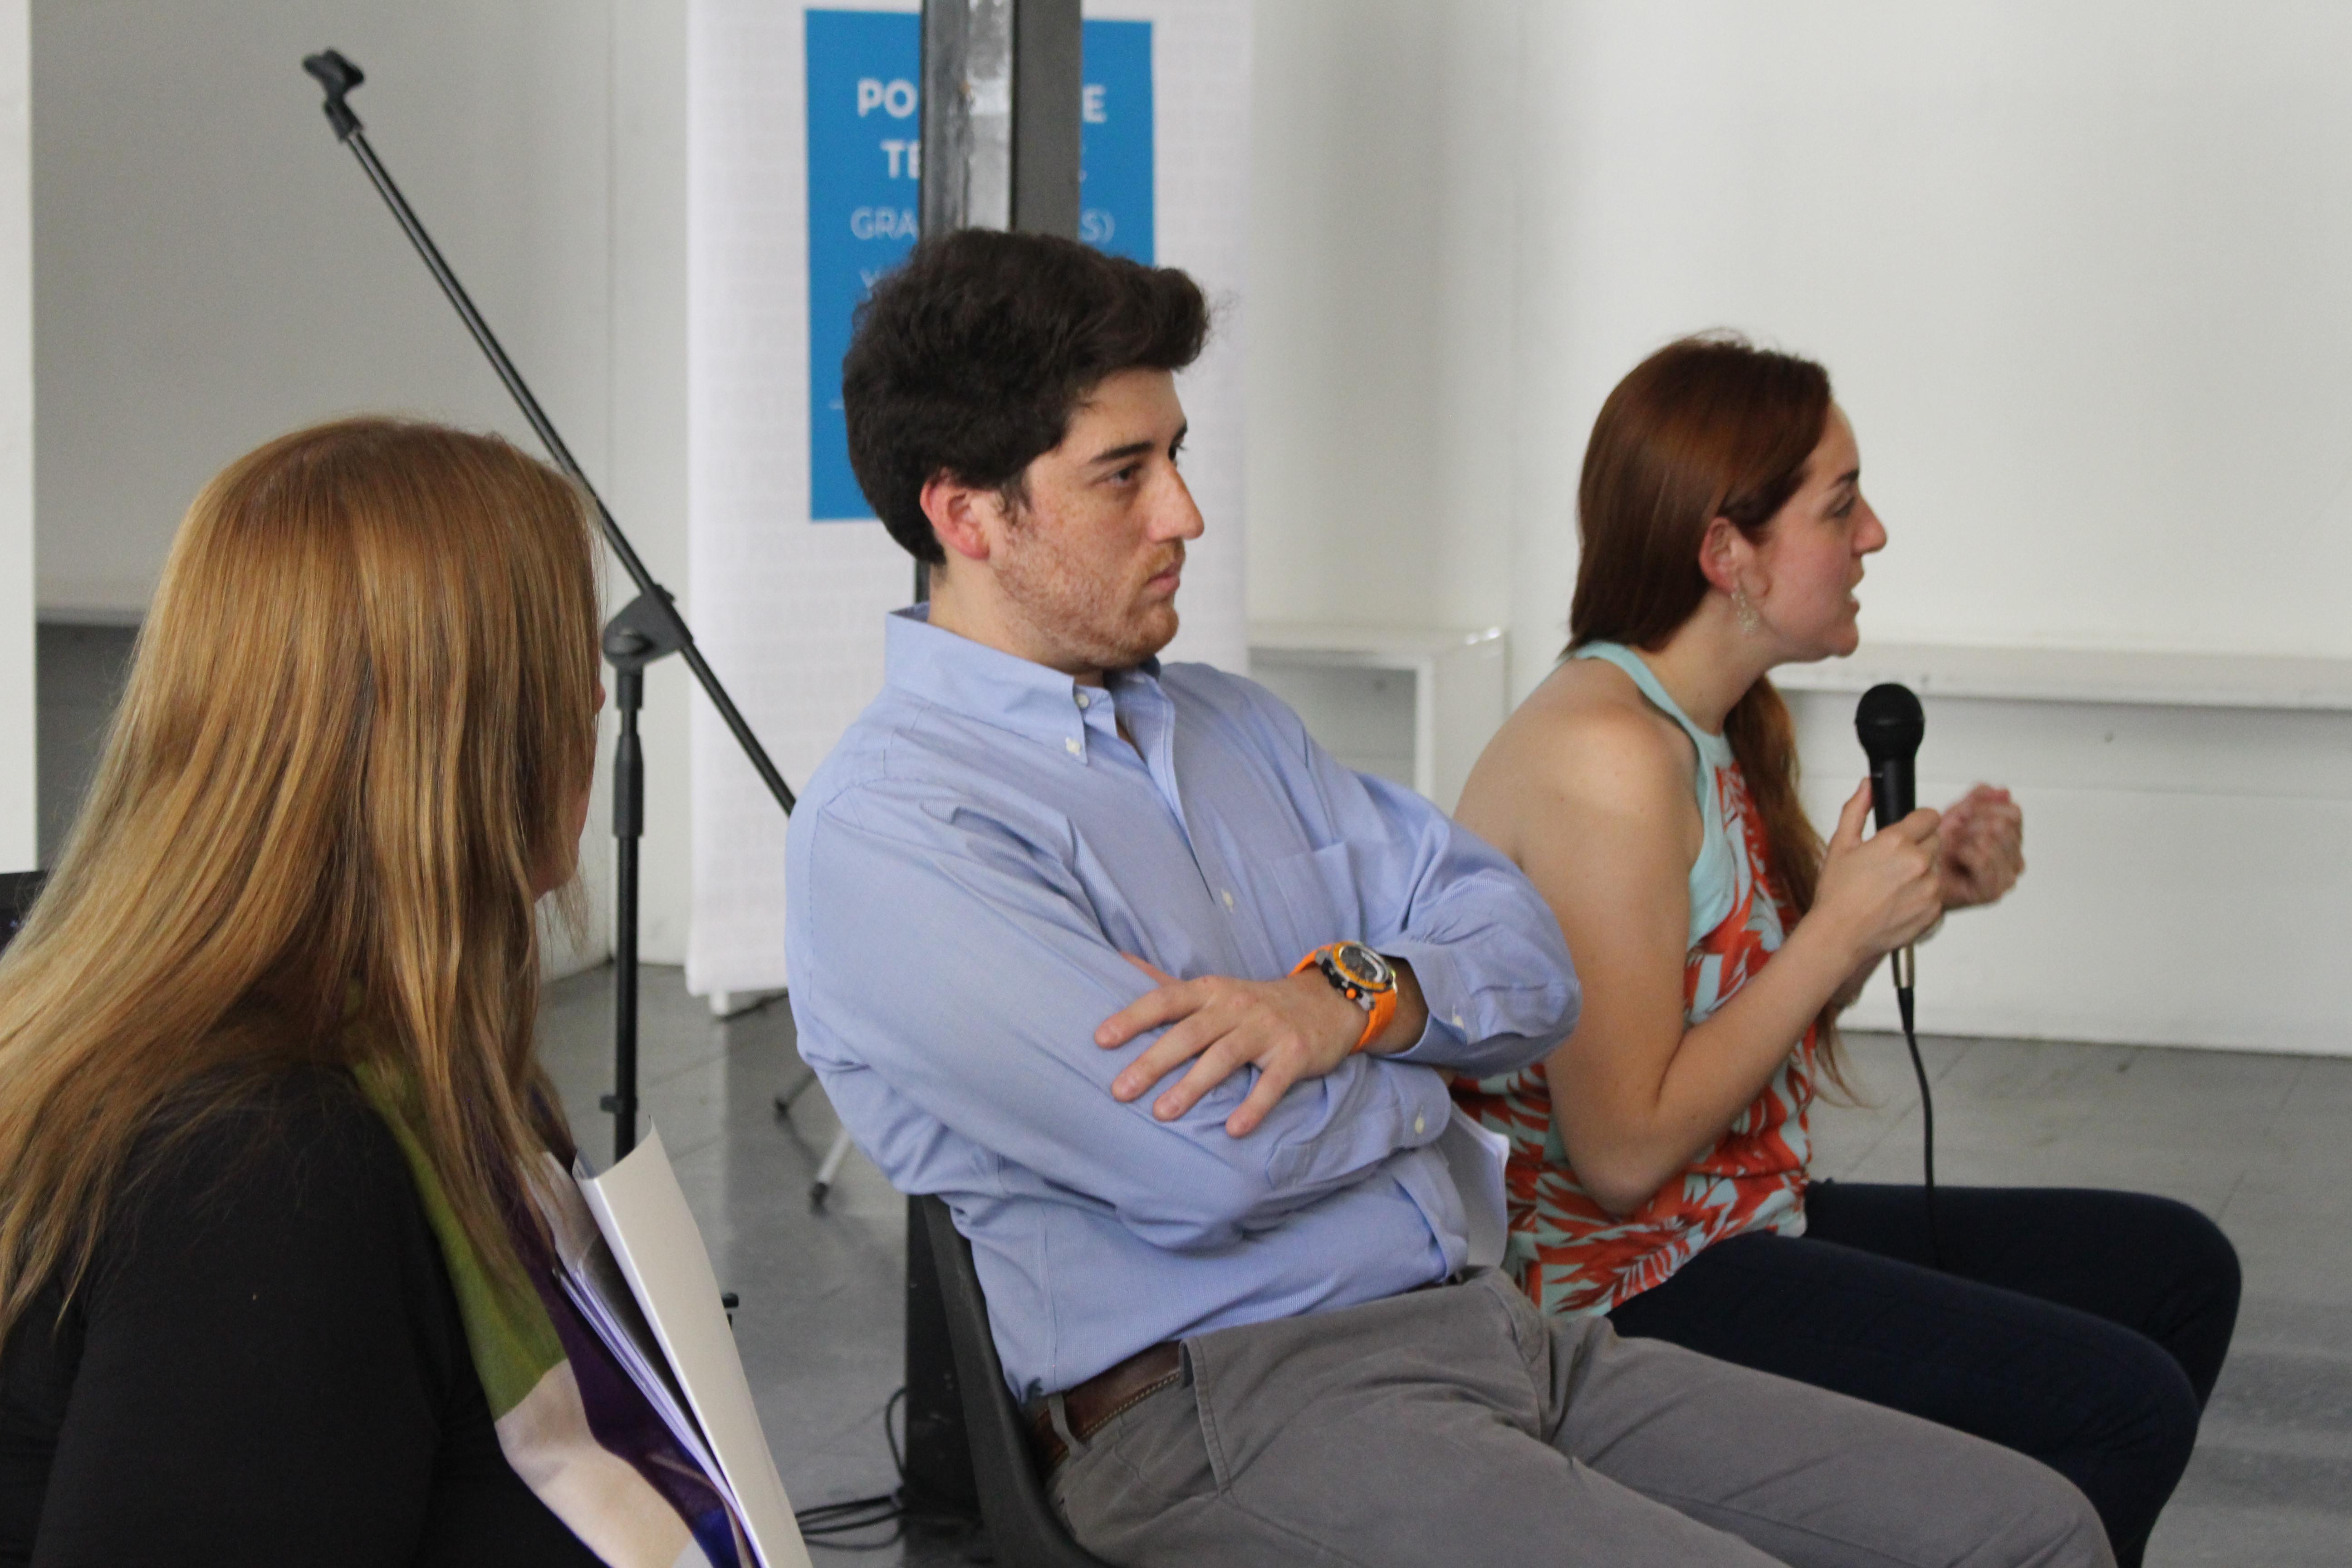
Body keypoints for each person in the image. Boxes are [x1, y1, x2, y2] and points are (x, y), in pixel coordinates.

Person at [789, 230, 2114, 1568]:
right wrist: (1427, 1081)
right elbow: (1217, 1163)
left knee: (2031, 1530)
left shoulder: (1234, 730)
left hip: (1496, 1334)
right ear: (968, 515)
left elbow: (1531, 966)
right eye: (1124, 475)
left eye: (1177, 457)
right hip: (1228, 1410)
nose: (1184, 512)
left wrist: (1351, 1000)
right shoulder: (899, 832)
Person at [1450, 335, 2240, 1568]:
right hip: (1615, 1290)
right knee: (2122, 1403)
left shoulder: (1707, 725)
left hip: (1725, 1222)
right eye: (1840, 503)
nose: (1873, 534)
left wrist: (1902, 909)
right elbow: (1619, 1156)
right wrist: (1835, 936)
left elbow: (1728, 1021)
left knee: (2176, 1268)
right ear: (1728, 554)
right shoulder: (1607, 756)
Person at [0, 421, 745, 1567]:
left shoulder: (391, 1072)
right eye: (558, 660)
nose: (598, 702)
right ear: (458, 739)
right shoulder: (268, 1174)